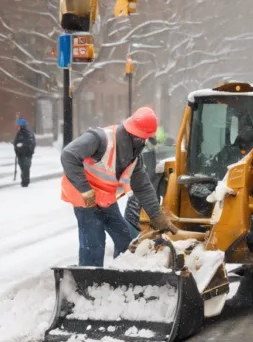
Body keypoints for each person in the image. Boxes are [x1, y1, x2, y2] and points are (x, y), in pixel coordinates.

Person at [60, 107, 179, 267]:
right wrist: (85, 189)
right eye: (143, 138)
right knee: (94, 243)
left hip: (105, 200)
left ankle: (122, 274)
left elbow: (143, 187)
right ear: (133, 134)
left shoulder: (134, 156)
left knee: (125, 240)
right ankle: (88, 284)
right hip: (83, 197)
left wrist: (157, 216)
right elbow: (68, 155)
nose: (144, 142)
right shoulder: (100, 139)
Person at [13, 118, 36, 187]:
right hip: (21, 154)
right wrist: (17, 148)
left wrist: (23, 147)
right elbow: (16, 142)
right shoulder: (19, 133)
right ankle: (24, 181)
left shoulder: (27, 133)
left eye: (18, 125)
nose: (16, 126)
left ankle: (25, 182)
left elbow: (30, 143)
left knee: (25, 168)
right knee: (23, 168)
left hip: (26, 154)